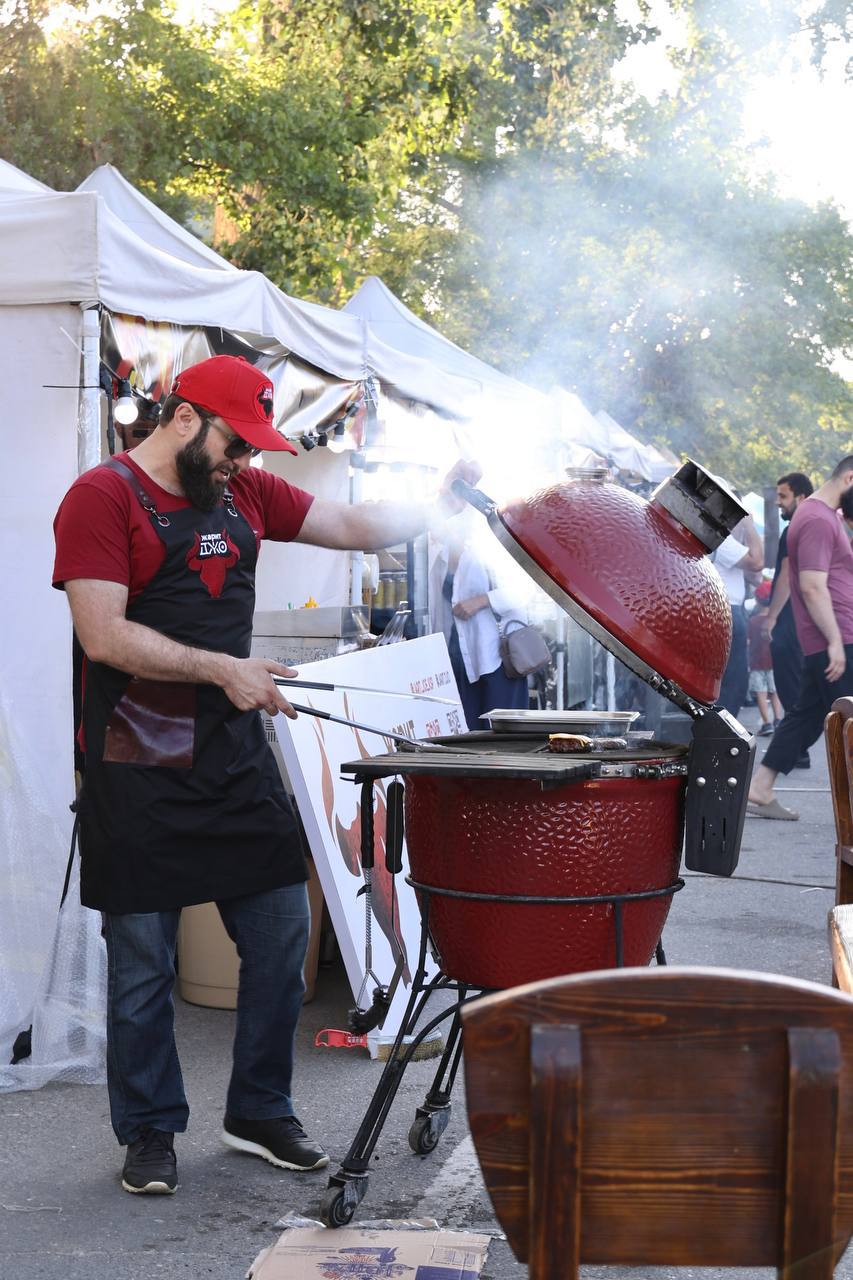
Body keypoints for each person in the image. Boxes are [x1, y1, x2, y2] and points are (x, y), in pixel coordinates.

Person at [52, 354, 480, 1195]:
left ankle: (257, 1110)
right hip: (133, 760)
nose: (247, 463)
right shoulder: (101, 497)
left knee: (283, 940)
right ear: (183, 420)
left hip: (233, 755)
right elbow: (102, 635)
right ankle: (148, 1130)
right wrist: (223, 668)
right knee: (143, 963)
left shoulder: (240, 492)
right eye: (235, 443)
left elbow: (355, 527)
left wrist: (442, 503)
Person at [748, 456, 853, 820]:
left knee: (807, 715)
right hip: (837, 637)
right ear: (850, 478)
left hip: (834, 636)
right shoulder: (817, 518)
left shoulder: (822, 517)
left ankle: (761, 786)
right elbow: (810, 586)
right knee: (846, 719)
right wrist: (835, 641)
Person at [429, 514, 530, 729]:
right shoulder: (440, 556)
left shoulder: (490, 547)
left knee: (503, 733)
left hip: (498, 656)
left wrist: (481, 600)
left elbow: (522, 592)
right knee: (470, 731)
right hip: (462, 656)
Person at [764, 471, 814, 767]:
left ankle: (796, 749)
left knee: (791, 685)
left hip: (790, 619)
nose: (778, 503)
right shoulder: (808, 527)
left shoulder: (796, 528)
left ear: (801, 497)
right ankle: (798, 750)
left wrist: (771, 618)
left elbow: (785, 572)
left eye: (783, 497)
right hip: (800, 619)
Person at [714, 515, 764, 720]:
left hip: (731, 609)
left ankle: (723, 727)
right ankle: (722, 728)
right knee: (734, 680)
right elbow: (757, 562)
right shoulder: (720, 539)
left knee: (735, 678)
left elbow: (756, 577)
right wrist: (750, 526)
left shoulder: (728, 543)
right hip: (727, 609)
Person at [747, 580, 783, 736]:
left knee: (761, 693)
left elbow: (748, 642)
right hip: (775, 662)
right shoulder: (776, 621)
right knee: (775, 692)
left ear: (757, 600)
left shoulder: (752, 621)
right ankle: (778, 720)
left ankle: (767, 724)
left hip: (757, 664)